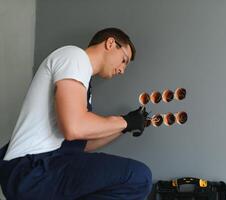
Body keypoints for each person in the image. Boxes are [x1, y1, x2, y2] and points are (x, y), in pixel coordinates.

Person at [0, 28, 152, 200]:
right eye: (124, 60)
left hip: (43, 166)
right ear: (110, 43)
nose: (122, 70)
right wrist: (124, 121)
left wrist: (124, 127)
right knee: (139, 178)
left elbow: (82, 144)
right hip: (30, 169)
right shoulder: (74, 57)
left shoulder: (83, 82)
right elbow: (74, 127)